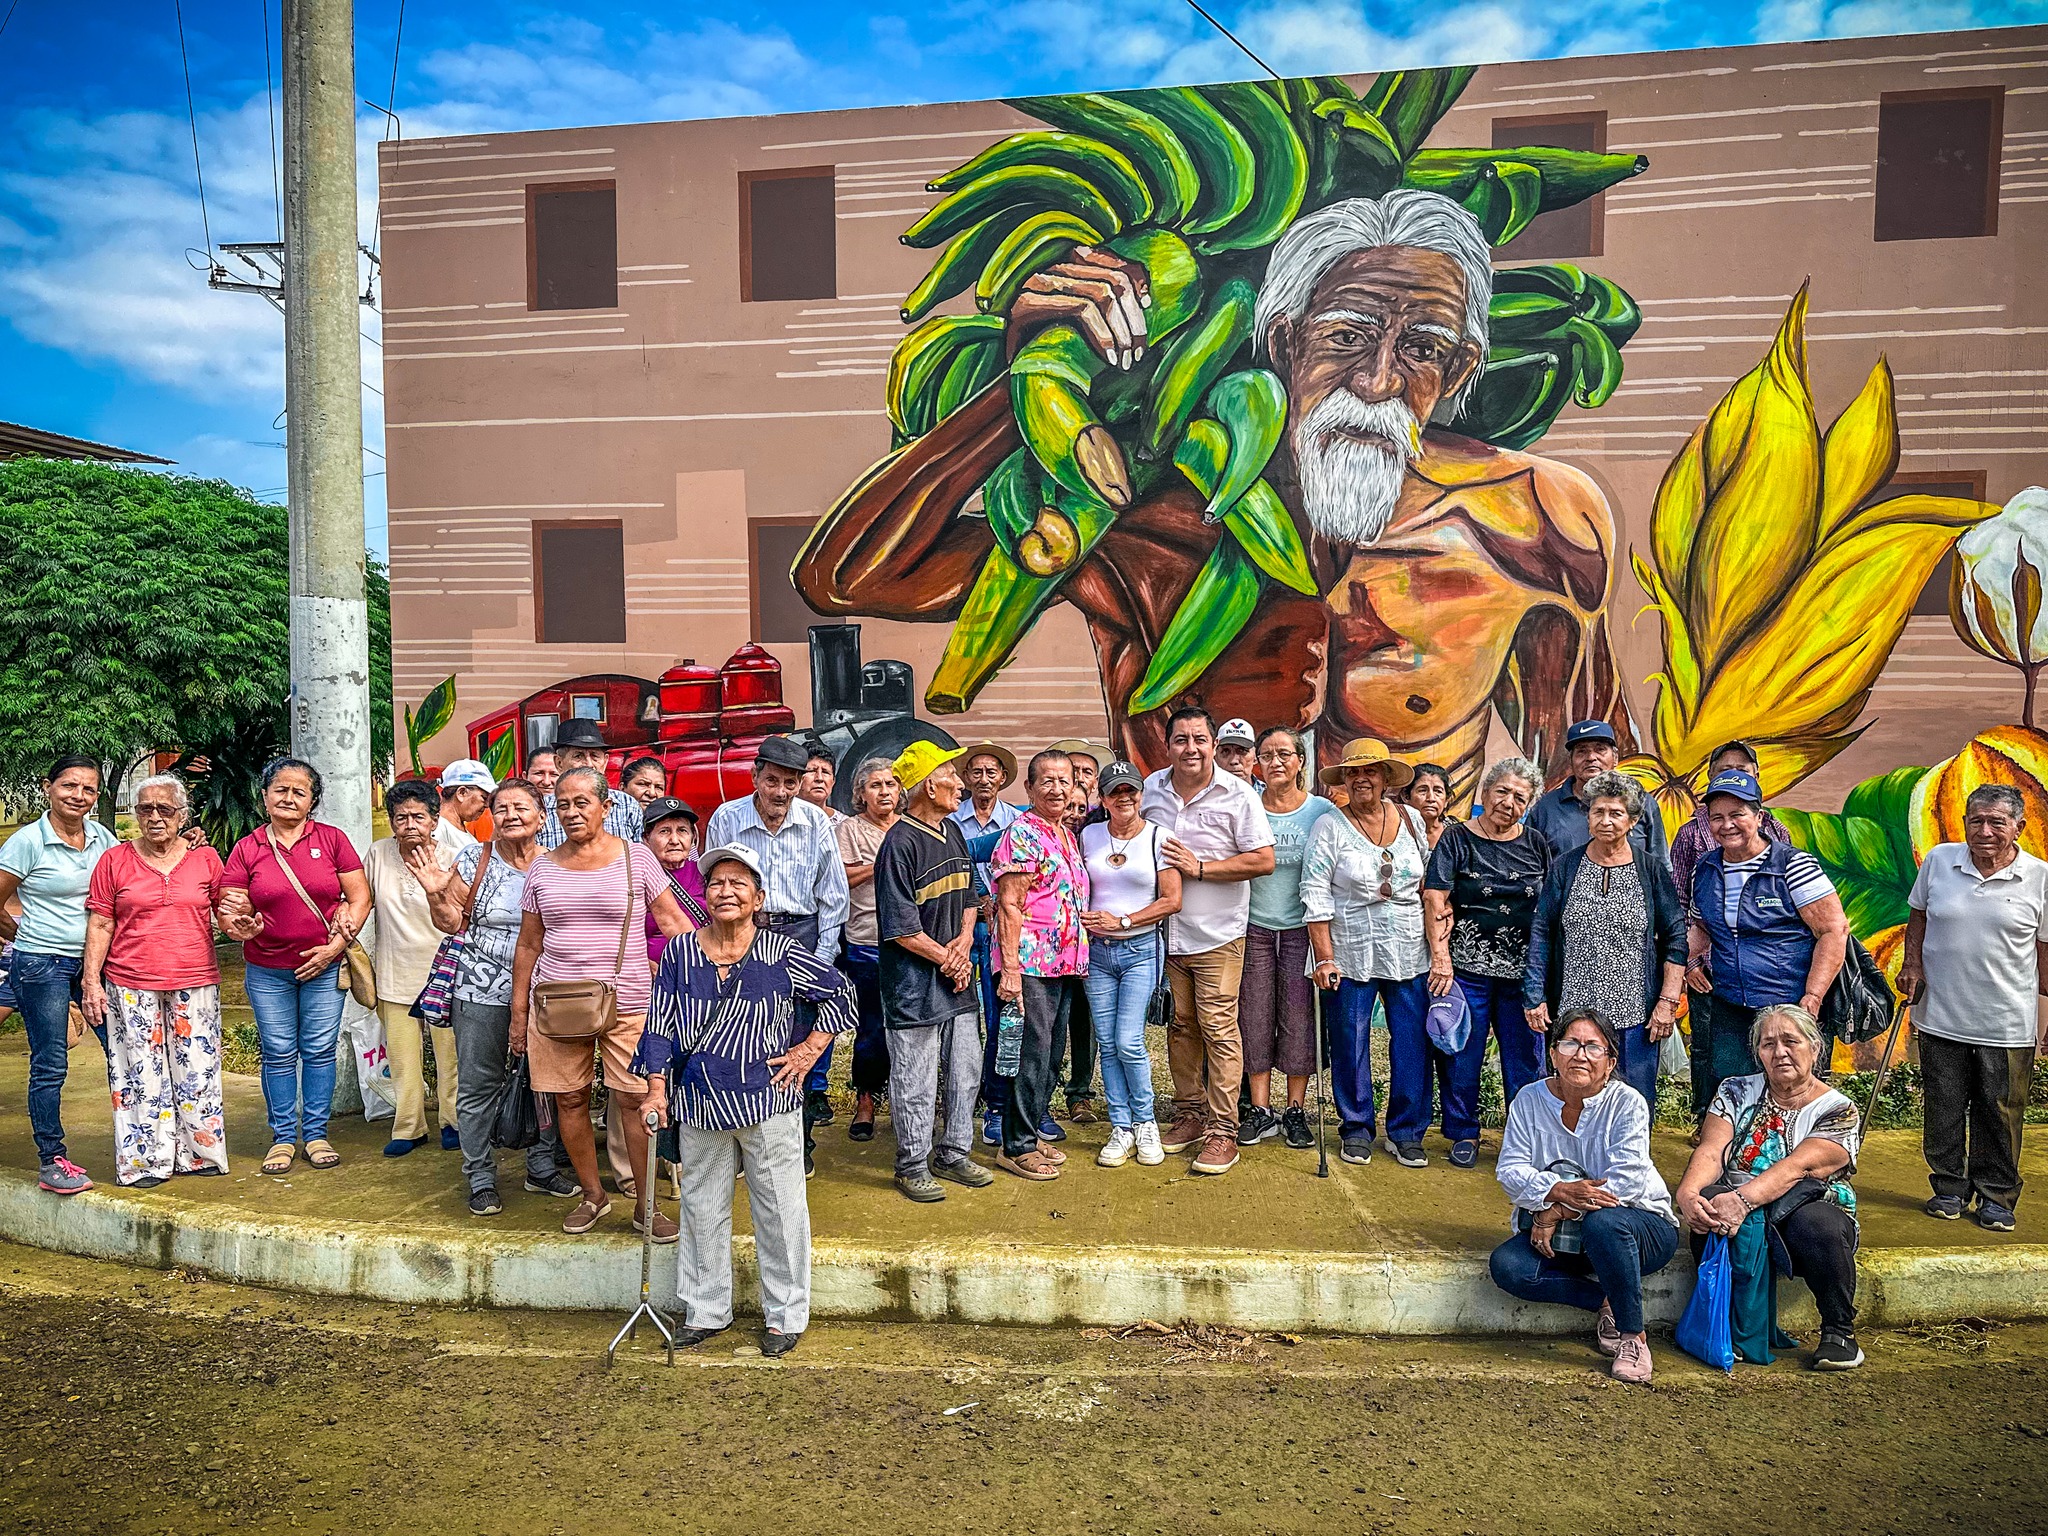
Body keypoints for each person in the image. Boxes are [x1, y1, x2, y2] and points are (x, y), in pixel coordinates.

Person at [798, 190, 1635, 789]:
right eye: (1346, 336)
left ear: (1458, 371)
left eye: (1421, 348)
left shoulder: (1534, 514)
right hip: (1200, 906)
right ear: (1283, 340)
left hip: (1406, 920)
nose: (1379, 380)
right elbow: (850, 577)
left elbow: (1586, 763)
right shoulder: (1150, 506)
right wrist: (1033, 372)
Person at [639, 843, 858, 1356]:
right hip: (697, 1100)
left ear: (758, 898)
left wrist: (808, 1050)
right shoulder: (681, 952)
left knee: (780, 1211)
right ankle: (706, 1310)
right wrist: (655, 1087)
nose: (726, 890)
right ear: (704, 895)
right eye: (716, 882)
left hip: (769, 1099)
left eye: (739, 883)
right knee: (701, 1208)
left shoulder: (781, 952)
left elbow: (841, 994)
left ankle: (785, 1316)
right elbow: (659, 1023)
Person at [510, 767, 692, 1236]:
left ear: (606, 806)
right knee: (569, 1099)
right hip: (556, 1004)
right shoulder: (542, 869)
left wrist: (705, 982)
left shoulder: (637, 859)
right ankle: (594, 1196)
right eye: (563, 805)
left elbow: (674, 924)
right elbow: (529, 944)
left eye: (581, 803)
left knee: (634, 1100)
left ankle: (645, 1205)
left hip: (629, 999)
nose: (571, 813)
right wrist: (518, 1011)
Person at [1489, 1007, 1679, 1385]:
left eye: (1594, 1047)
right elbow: (1509, 1171)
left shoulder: (1627, 1104)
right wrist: (1558, 1189)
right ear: (1553, 1054)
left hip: (1640, 1229)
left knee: (1605, 1222)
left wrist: (1555, 1209)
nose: (1580, 1054)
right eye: (1571, 1043)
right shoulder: (1528, 1100)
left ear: (1610, 1063)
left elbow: (1624, 1184)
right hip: (1565, 1242)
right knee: (1508, 1266)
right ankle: (1604, 1301)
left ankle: (1632, 1336)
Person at [417, 778, 578, 1216]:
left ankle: (541, 1166)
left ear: (542, 817)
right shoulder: (474, 859)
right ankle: (480, 1175)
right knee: (479, 1083)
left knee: (546, 1081)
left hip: (549, 989)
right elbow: (451, 922)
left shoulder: (561, 863)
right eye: (500, 807)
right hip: (481, 987)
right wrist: (435, 892)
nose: (509, 815)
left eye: (520, 807)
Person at [1674, 1003, 1866, 1371]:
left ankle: (1839, 1331)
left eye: (1791, 1041)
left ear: (1814, 1046)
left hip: (1800, 1207)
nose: (1779, 1052)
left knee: (1820, 1226)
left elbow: (1799, 1167)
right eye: (1768, 1044)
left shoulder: (1838, 1109)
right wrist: (1688, 1194)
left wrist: (1744, 1201)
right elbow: (1712, 1150)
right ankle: (1730, 1326)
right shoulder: (1734, 1090)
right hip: (1738, 1200)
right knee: (1710, 1204)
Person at [1899, 783, 2047, 1233]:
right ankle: (1947, 1188)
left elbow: (2046, 952)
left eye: (1996, 822)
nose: (1984, 831)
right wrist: (1912, 963)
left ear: (2018, 827)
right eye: (1976, 820)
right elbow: (1919, 916)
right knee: (1942, 1107)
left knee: (2000, 1111)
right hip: (1941, 1015)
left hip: (2006, 1022)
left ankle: (1997, 1196)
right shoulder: (1941, 861)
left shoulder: (2040, 877)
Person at [218, 757, 372, 1178]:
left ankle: (317, 1134)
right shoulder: (248, 847)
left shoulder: (333, 840)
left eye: (298, 791)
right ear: (265, 797)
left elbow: (360, 898)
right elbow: (228, 910)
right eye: (280, 790)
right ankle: (283, 1137)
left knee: (319, 1051)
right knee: (279, 1052)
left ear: (312, 800)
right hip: (267, 969)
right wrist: (241, 928)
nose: (288, 797)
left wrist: (334, 947)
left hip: (324, 967)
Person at [1143, 707, 1276, 1176]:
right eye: (1181, 740)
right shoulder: (1151, 790)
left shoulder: (1238, 795)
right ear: (1168, 745)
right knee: (1181, 1028)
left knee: (1218, 1028)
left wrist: (1199, 869)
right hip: (1166, 935)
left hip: (1219, 934)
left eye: (1200, 739)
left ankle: (1224, 1130)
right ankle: (1189, 1115)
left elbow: (1262, 860)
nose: (1191, 749)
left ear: (1213, 744)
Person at [80, 774, 228, 1187]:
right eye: (146, 808)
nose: (155, 817)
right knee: (138, 1072)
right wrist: (91, 982)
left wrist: (244, 923)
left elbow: (226, 911)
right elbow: (101, 922)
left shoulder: (205, 858)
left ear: (182, 815)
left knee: (197, 1069)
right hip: (130, 980)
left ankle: (198, 1154)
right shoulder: (115, 860)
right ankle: (146, 1161)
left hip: (195, 978)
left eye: (165, 809)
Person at [705, 734, 850, 1141]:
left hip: (800, 934)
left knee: (798, 1038)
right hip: (742, 934)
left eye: (791, 783)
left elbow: (834, 896)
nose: (781, 792)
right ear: (755, 776)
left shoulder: (815, 821)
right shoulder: (727, 819)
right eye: (772, 781)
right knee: (737, 1033)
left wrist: (821, 958)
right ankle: (740, 1133)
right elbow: (713, 889)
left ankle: (797, 1141)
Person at [1685, 768, 1848, 1114]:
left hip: (1788, 1005)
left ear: (1759, 816)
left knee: (1790, 1092)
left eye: (1737, 815)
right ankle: (1736, 1164)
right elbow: (1701, 925)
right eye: (1717, 817)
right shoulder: (1706, 868)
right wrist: (1689, 960)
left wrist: (1813, 996)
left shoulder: (1793, 865)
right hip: (1730, 1003)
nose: (1727, 825)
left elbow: (1833, 930)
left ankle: (1797, 1166)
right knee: (1731, 1090)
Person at [1523, 771, 1685, 1116]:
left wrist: (1667, 1002)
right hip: (1573, 1008)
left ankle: (1626, 1166)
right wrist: (1535, 994)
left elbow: (1675, 936)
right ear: (1588, 816)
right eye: (1598, 812)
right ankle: (1567, 1161)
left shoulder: (1651, 870)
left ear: (1633, 820)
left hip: (1634, 1014)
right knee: (1570, 1092)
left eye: (1616, 813)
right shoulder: (1566, 866)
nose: (1606, 821)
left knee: (1633, 1101)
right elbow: (1542, 929)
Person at [873, 744, 992, 1200]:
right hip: (913, 985)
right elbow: (902, 930)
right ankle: (912, 1163)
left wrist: (962, 945)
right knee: (915, 1077)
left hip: (954, 978)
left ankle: (954, 1151)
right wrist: (951, 959)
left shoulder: (953, 831)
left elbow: (968, 898)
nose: (961, 784)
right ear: (929, 784)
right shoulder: (899, 844)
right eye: (952, 775)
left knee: (966, 1067)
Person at [1305, 738, 1430, 1167]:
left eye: (1370, 771)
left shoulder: (1413, 820)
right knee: (1350, 1040)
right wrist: (1323, 956)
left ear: (1385, 779)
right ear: (1344, 779)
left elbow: (1428, 884)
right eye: (1353, 772)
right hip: (1351, 950)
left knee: (1412, 1042)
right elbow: (1315, 892)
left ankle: (1407, 1131)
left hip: (1410, 949)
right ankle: (1356, 1127)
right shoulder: (1330, 826)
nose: (1361, 779)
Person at [1421, 756, 1552, 1165]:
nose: (1508, 803)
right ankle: (1464, 1133)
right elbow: (1435, 897)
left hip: (1523, 977)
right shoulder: (1457, 839)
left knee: (1526, 1059)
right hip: (1467, 970)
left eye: (1519, 797)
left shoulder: (1535, 843)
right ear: (1485, 792)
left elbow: (1548, 908)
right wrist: (1441, 959)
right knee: (1463, 1054)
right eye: (1503, 791)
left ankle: (1523, 1138)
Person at [0, 755, 118, 1194]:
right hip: (41, 963)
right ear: (49, 787)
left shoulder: (103, 837)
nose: (79, 796)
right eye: (70, 786)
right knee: (50, 1063)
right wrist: (24, 935)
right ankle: (52, 1160)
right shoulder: (27, 841)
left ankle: (140, 1141)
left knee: (121, 1051)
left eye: (88, 789)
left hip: (94, 964)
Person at [990, 750, 1090, 1181]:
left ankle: (1028, 1128)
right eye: (1046, 781)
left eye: (1064, 781)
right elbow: (1010, 903)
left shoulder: (1064, 834)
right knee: (1029, 1052)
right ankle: (1016, 1146)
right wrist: (1010, 968)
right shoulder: (1021, 834)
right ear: (1028, 789)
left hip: (1063, 963)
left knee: (1049, 1053)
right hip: (1029, 964)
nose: (1056, 788)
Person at [1078, 759, 1183, 1167]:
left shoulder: (1159, 836)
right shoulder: (1088, 836)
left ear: (1141, 795)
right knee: (1106, 1043)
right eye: (1114, 791)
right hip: (1097, 954)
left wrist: (1122, 920)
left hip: (1140, 949)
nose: (1124, 797)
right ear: (1102, 798)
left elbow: (1172, 900)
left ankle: (1146, 1122)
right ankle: (1120, 1127)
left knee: (1128, 1040)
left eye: (1130, 790)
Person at [1238, 727, 1333, 1150]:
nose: (1275, 762)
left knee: (1298, 1019)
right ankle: (1261, 1110)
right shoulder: (1245, 807)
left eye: (1284, 754)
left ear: (1300, 762)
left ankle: (1294, 1108)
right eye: (1267, 755)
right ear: (1257, 763)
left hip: (1302, 930)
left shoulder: (1321, 812)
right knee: (1253, 1016)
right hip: (1253, 926)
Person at [364, 779, 463, 1156]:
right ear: (391, 822)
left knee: (450, 1057)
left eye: (418, 816)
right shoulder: (377, 854)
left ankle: (452, 1121)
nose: (409, 824)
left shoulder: (455, 856)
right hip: (395, 972)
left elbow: (461, 914)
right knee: (403, 1059)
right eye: (400, 817)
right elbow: (361, 901)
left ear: (434, 820)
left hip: (445, 975)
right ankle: (409, 1127)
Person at [950, 742, 1022, 1146]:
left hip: (997, 929)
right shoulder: (950, 820)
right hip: (959, 928)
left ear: (1002, 779)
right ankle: (958, 1102)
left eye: (991, 772)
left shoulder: (1015, 820)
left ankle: (996, 1107)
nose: (983, 779)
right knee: (960, 1019)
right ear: (966, 778)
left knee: (999, 1018)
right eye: (975, 772)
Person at [836, 757, 900, 1142]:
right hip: (865, 940)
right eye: (874, 785)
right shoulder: (850, 829)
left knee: (908, 1029)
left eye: (890, 784)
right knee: (871, 1027)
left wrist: (876, 865)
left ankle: (907, 1102)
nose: (884, 792)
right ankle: (865, 1100)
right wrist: (884, 864)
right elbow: (842, 876)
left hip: (910, 942)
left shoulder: (910, 827)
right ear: (861, 793)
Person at [1047, 739, 1110, 1123]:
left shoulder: (1102, 832)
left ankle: (1080, 1093)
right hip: (1050, 947)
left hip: (1092, 943)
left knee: (1085, 1021)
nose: (1073, 811)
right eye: (1074, 773)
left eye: (1088, 773)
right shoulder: (1038, 830)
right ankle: (1040, 1098)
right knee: (1051, 1025)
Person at [1525, 720, 1668, 866]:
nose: (1591, 757)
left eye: (1600, 749)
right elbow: (1531, 867)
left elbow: (1661, 866)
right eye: (1582, 751)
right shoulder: (1545, 808)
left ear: (1615, 757)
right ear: (1570, 760)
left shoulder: (1642, 802)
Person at [1669, 740, 1787, 918]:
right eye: (1726, 771)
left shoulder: (1777, 831)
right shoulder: (1690, 834)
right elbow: (1679, 898)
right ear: (1710, 775)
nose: (1734, 777)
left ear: (1756, 776)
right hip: (1712, 938)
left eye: (1742, 770)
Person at [538, 718, 643, 850]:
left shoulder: (628, 805)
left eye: (594, 756)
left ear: (605, 762)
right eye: (578, 756)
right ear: (559, 763)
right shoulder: (541, 811)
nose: (588, 764)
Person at [435, 760, 492, 855]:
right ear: (462, 793)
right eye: (484, 798)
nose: (487, 805)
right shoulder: (438, 828)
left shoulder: (466, 836)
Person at [1405, 763, 1455, 850]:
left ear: (1446, 800)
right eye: (1422, 790)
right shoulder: (1398, 832)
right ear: (1406, 797)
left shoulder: (1455, 832)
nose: (1431, 798)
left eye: (1438, 791)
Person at [799, 742, 842, 825]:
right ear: (796, 778)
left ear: (833, 781)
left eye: (825, 772)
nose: (819, 778)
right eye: (811, 771)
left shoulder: (845, 826)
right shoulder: (781, 820)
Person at [1215, 719, 1258, 785]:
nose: (1234, 761)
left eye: (1242, 751)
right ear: (1215, 757)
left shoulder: (1270, 794)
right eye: (1225, 751)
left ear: (1255, 756)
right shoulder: (1202, 794)